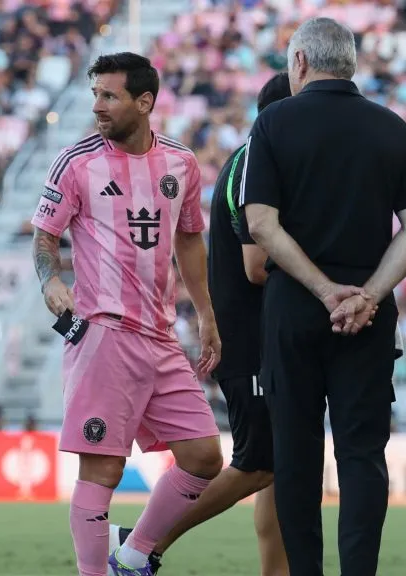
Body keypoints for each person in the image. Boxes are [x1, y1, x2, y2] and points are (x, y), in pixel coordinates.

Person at [238, 17, 406, 576]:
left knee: (296, 459)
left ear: (298, 62)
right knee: (362, 455)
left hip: (296, 307)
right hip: (369, 315)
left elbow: (260, 225)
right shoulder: (393, 128)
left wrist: (325, 290)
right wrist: (368, 295)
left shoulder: (273, 123)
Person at [30, 52, 224, 576]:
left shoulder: (180, 163)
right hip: (104, 335)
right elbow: (45, 236)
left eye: (108, 96)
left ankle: (133, 555)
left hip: (160, 336)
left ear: (144, 101)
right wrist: (51, 280)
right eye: (95, 94)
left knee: (205, 457)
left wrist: (205, 313)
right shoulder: (77, 162)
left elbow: (188, 239)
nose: (97, 106)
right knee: (103, 469)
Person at [110, 72, 293, 576]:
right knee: (258, 462)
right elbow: (257, 267)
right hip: (253, 339)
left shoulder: (259, 160)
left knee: (280, 470)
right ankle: (141, 543)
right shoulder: (257, 161)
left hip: (262, 337)